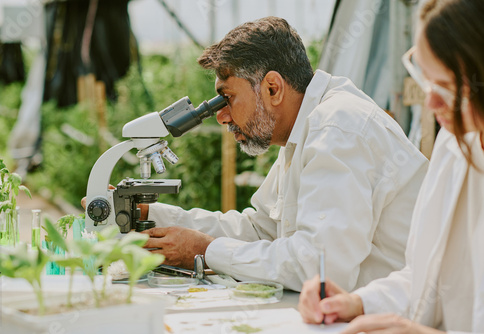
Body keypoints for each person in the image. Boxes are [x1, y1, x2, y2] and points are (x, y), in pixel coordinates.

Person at [134, 16, 428, 292]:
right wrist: (154, 216)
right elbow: (262, 231)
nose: (221, 117)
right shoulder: (306, 130)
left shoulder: (337, 128)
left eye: (228, 98)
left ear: (273, 88)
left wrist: (206, 250)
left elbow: (319, 269)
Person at [298, 0, 484, 331]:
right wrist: (359, 302)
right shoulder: (455, 143)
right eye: (423, 77)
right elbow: (427, 276)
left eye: (446, 87)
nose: (430, 102)